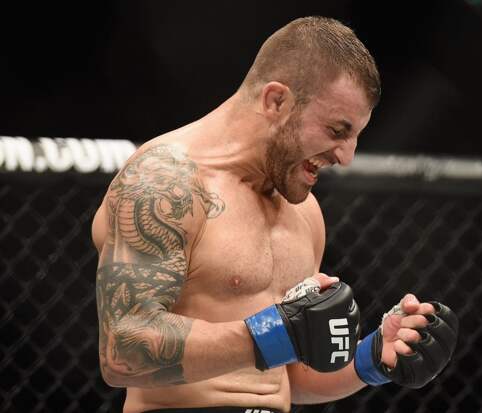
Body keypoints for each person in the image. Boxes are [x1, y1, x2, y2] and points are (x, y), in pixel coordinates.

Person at [92, 16, 458, 413]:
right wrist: (274, 334)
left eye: (356, 136)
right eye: (337, 130)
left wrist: (372, 357)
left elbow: (288, 376)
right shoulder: (166, 183)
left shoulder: (304, 212)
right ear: (276, 101)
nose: (346, 157)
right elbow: (123, 349)